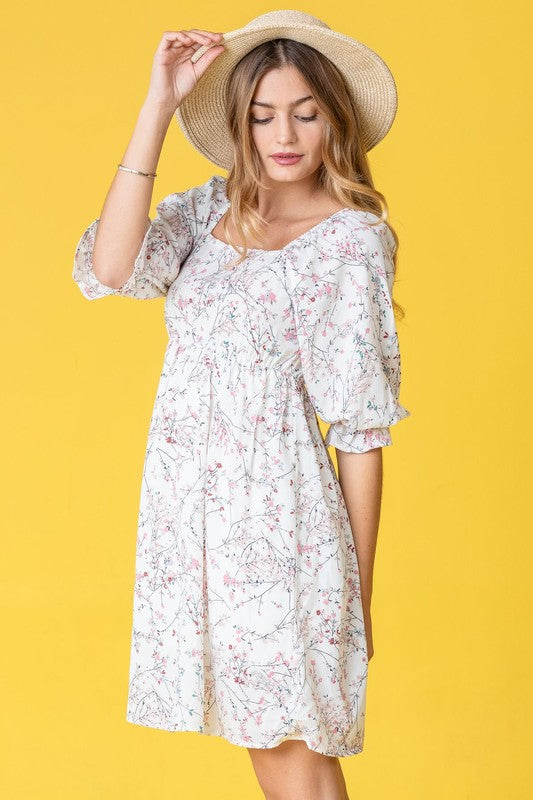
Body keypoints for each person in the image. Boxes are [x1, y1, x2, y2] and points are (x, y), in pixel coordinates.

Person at [72, 10, 411, 800]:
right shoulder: (205, 214)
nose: (282, 134)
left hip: (283, 531)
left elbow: (359, 430)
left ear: (336, 119)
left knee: (290, 753)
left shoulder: (350, 243)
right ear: (239, 125)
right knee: (270, 755)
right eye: (261, 115)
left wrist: (353, 598)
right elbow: (111, 267)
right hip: (193, 526)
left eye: (305, 112)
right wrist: (156, 106)